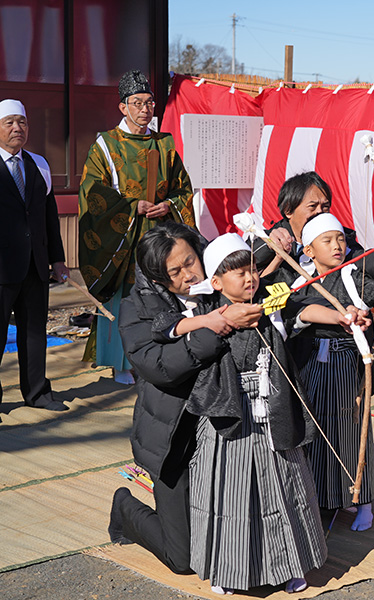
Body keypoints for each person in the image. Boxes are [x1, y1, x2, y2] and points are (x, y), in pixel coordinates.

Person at [185, 233, 370, 595]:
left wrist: (340, 316)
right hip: (230, 420)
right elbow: (174, 335)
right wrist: (220, 320)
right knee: (230, 494)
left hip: (275, 414)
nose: (250, 277)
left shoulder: (271, 302)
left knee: (285, 490)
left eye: (253, 269)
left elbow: (302, 308)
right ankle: (227, 570)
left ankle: (292, 566)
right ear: (218, 282)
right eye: (238, 273)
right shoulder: (204, 314)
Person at [109, 222, 263, 574]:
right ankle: (125, 510)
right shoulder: (137, 308)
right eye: (174, 272)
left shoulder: (220, 283)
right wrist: (212, 329)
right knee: (184, 560)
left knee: (229, 533)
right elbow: (158, 366)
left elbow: (257, 263)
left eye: (190, 262)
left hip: (226, 430)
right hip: (173, 438)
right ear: (158, 278)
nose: (189, 276)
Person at [78, 69, 195, 384]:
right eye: (137, 103)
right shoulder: (105, 145)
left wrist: (169, 205)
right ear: (123, 107)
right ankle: (122, 363)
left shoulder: (164, 144)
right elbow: (93, 193)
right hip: (122, 238)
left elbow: (183, 188)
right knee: (127, 297)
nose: (145, 109)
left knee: (161, 294)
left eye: (149, 103)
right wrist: (132, 207)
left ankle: (160, 357)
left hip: (158, 233)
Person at [292, 213, 374, 532]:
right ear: (309, 250)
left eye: (341, 239)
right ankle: (324, 499)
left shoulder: (352, 276)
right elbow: (292, 313)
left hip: (348, 365)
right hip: (312, 363)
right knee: (316, 433)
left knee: (353, 430)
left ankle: (364, 503)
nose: (337, 246)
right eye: (327, 241)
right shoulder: (300, 281)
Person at [0, 99, 69, 414]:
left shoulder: (39, 164)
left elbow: (49, 218)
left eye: (22, 122)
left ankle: (38, 393)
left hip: (35, 265)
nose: (17, 128)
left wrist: (57, 258)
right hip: (1, 268)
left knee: (33, 332)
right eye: (9, 122)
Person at [253, 171, 374, 286]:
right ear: (288, 210)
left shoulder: (338, 237)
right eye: (312, 206)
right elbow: (241, 266)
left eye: (325, 206)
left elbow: (361, 258)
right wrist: (270, 246)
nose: (319, 212)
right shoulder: (269, 238)